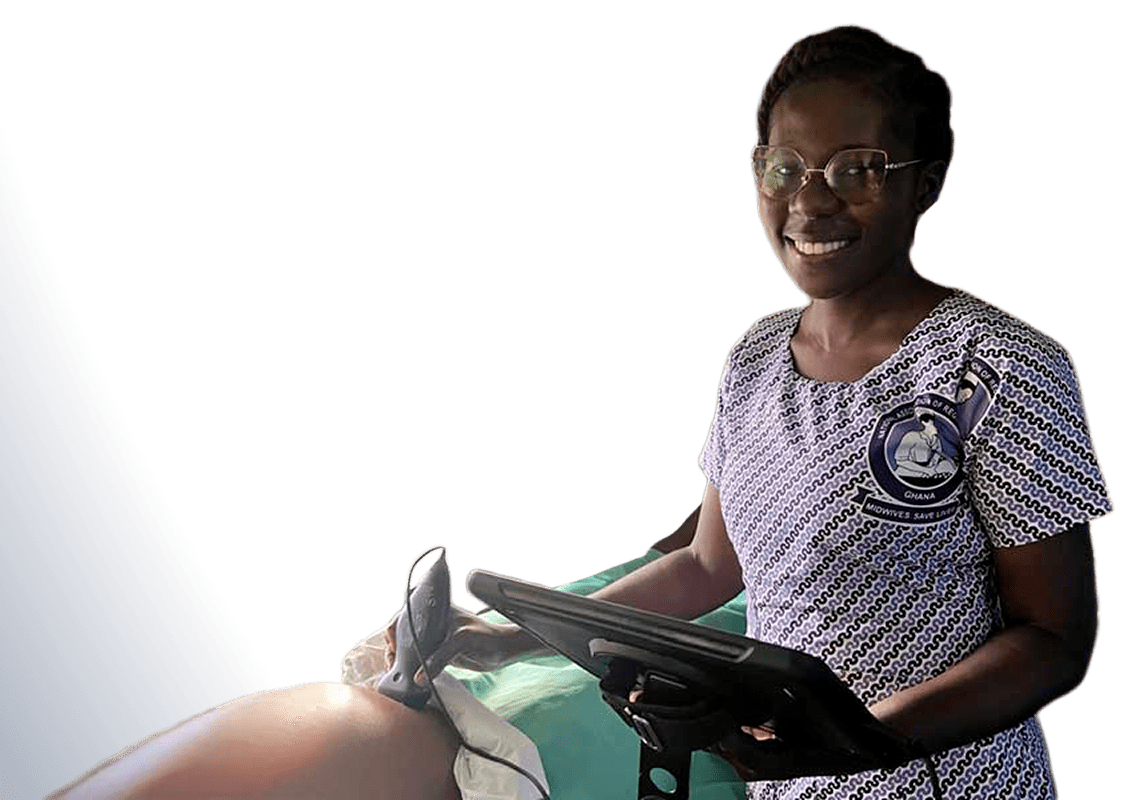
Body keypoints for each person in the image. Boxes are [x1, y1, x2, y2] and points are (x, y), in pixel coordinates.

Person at [49, 24, 1111, 800]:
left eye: (857, 169)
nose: (812, 199)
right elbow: (703, 570)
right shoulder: (754, 361)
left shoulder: (999, 366)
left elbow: (1054, 638)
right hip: (789, 782)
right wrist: (504, 636)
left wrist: (864, 738)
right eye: (786, 167)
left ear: (927, 182)